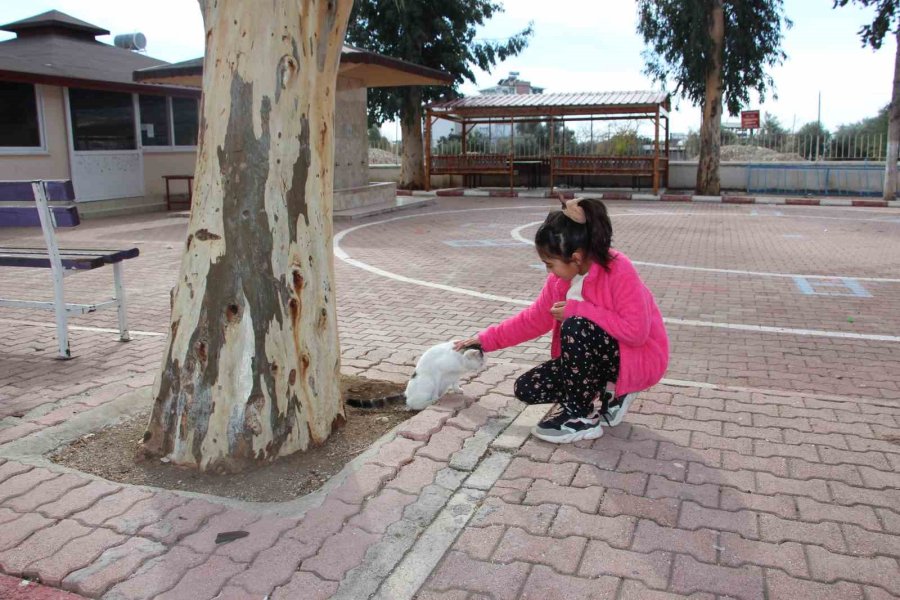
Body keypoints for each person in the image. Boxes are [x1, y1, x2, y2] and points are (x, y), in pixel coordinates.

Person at [455, 197, 669, 444]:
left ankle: (582, 417)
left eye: (550, 264)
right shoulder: (560, 281)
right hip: (595, 362)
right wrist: (484, 340)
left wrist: (578, 310)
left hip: (635, 359)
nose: (549, 271)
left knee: (576, 324)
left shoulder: (619, 269)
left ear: (576, 257)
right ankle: (610, 392)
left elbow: (637, 332)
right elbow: (534, 319)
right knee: (528, 388)